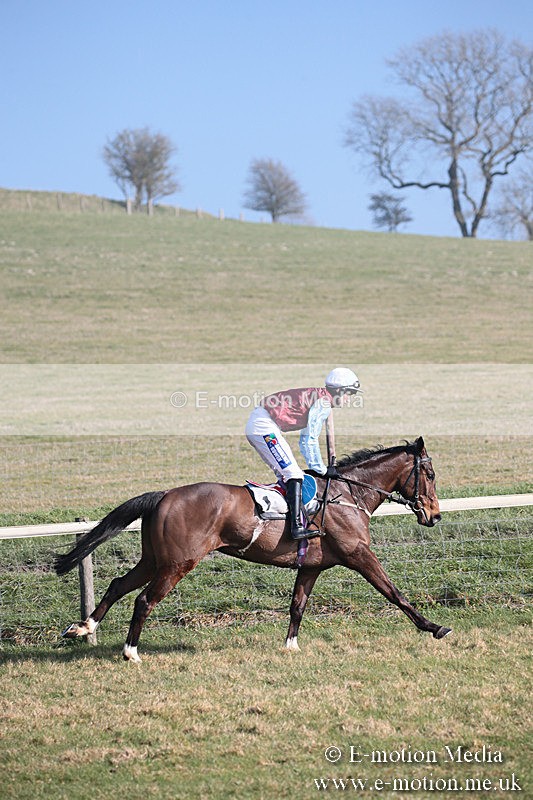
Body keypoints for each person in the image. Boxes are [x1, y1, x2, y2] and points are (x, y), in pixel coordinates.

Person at [245, 367, 363, 540]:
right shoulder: (323, 403)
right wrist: (322, 470)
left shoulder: (322, 399)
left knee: (287, 475)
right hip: (263, 426)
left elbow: (305, 440)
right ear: (339, 390)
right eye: (349, 393)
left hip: (262, 424)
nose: (349, 398)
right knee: (293, 474)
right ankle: (296, 528)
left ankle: (282, 520)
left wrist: (318, 467)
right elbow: (309, 440)